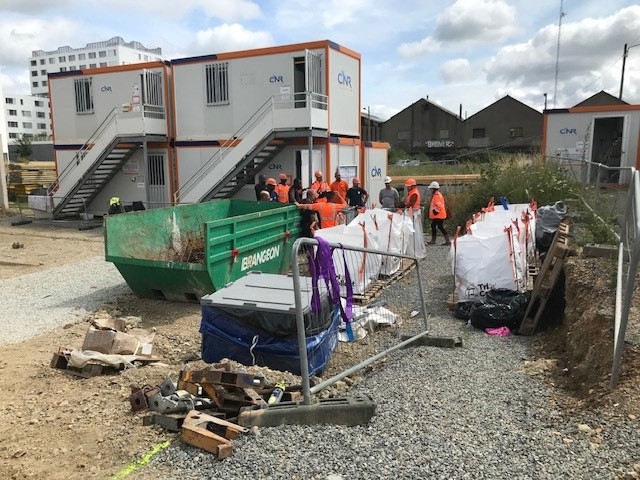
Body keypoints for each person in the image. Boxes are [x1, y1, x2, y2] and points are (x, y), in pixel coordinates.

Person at [427, 181, 450, 245]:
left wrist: (435, 211)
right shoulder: (437, 194)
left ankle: (434, 240)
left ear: (434, 189)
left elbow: (438, 205)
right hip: (439, 215)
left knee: (435, 226)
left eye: (431, 189)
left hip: (438, 215)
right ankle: (447, 240)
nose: (431, 190)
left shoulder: (436, 195)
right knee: (439, 226)